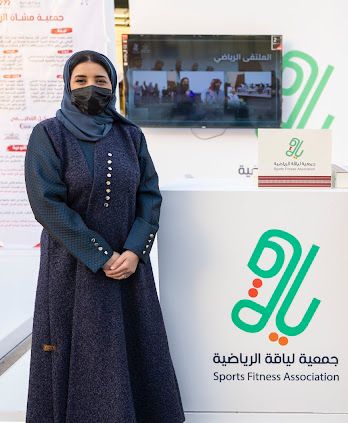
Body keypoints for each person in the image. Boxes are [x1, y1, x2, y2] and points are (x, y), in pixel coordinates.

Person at [24, 50, 185, 422]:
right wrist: (100, 254)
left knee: (134, 353)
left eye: (100, 81)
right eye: (81, 80)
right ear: (67, 84)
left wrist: (134, 251)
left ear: (113, 86)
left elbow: (149, 195)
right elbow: (46, 203)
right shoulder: (49, 134)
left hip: (128, 270)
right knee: (78, 353)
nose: (91, 88)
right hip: (71, 269)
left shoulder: (130, 135)